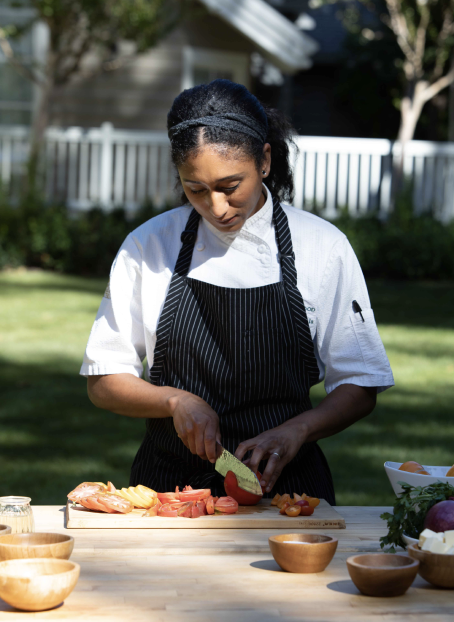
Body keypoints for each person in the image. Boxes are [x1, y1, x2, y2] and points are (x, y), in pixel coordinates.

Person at [81, 79, 394, 504]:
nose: (217, 207)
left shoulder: (322, 246)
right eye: (195, 189)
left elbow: (360, 384)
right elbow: (103, 379)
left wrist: (297, 429)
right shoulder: (148, 245)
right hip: (171, 493)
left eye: (231, 186)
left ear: (264, 160)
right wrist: (174, 401)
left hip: (290, 492)